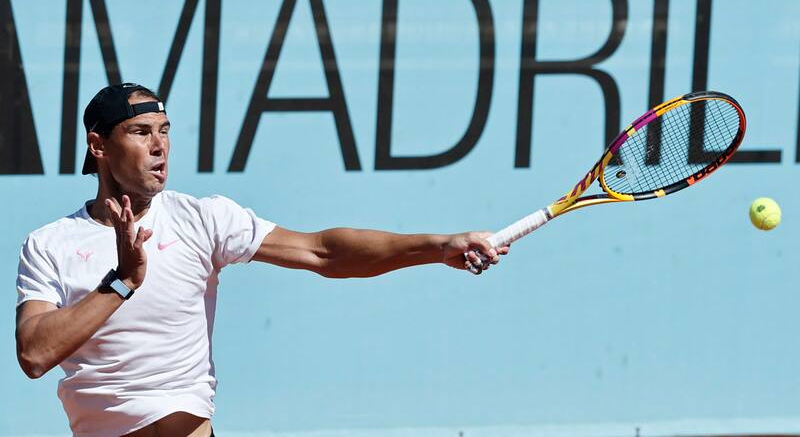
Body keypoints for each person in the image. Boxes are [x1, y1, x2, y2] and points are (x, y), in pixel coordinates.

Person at [15, 83, 508, 437]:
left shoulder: (202, 219)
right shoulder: (50, 244)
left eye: (164, 130)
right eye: (141, 132)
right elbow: (34, 355)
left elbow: (323, 250)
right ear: (98, 145)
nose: (160, 146)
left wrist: (438, 246)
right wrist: (121, 282)